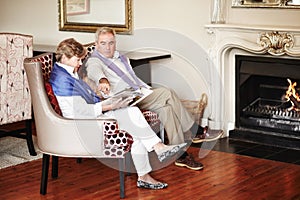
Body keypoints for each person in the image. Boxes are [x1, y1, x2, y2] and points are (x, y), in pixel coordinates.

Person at [49, 38, 187, 190]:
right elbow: (78, 112)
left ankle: (145, 174)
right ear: (65, 57)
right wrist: (109, 106)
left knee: (135, 123)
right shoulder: (62, 79)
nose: (80, 64)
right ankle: (157, 151)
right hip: (82, 123)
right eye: (77, 60)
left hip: (91, 115)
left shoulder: (67, 72)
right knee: (134, 118)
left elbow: (83, 103)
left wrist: (108, 101)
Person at [81, 27, 224, 171]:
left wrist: (144, 90)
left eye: (111, 43)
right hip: (124, 100)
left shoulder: (122, 58)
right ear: (97, 44)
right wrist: (102, 80)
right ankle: (195, 131)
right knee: (167, 93)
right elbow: (94, 71)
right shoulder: (95, 60)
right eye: (103, 43)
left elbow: (133, 78)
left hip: (139, 93)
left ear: (115, 42)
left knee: (167, 109)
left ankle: (180, 155)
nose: (107, 47)